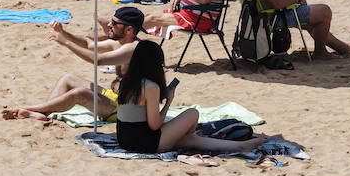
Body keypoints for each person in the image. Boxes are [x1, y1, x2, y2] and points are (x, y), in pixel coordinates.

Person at [113, 39, 266, 155]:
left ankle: (240, 147)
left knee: (190, 140)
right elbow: (155, 125)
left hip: (124, 139)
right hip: (145, 143)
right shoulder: (150, 87)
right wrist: (169, 101)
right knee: (193, 113)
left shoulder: (126, 81)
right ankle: (239, 146)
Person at [1, 7, 147, 121]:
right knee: (68, 78)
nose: (109, 25)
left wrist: (66, 43)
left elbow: (97, 60)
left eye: (114, 23)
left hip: (125, 110)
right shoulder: (119, 43)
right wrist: (63, 32)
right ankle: (44, 112)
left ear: (129, 30)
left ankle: (29, 109)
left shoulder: (133, 48)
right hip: (115, 97)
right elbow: (88, 44)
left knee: (78, 94)